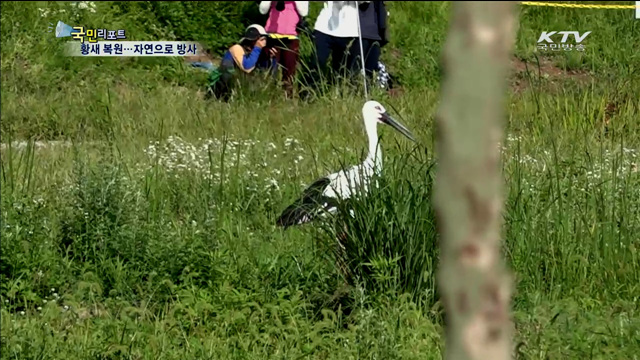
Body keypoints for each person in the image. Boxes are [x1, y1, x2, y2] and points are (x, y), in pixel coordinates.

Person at [205, 24, 276, 101]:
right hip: (223, 84)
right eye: (261, 39)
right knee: (228, 76)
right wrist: (257, 48)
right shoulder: (237, 48)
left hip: (240, 87)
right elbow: (247, 67)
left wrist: (268, 58)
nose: (264, 42)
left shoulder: (257, 52)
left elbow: (263, 72)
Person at [303, 1, 360, 94]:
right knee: (317, 61)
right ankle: (308, 93)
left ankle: (337, 93)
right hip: (324, 27)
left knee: (341, 67)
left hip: (349, 29)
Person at [259, 1, 309, 99]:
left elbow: (304, 12)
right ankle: (269, 96)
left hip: (291, 37)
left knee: (289, 71)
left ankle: (288, 97)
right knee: (270, 69)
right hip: (272, 35)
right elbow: (262, 10)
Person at [348, 1, 388, 86]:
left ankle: (359, 91)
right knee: (361, 70)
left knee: (362, 70)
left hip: (369, 34)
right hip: (365, 33)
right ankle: (357, 91)